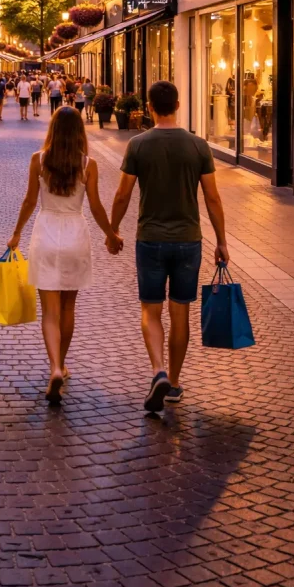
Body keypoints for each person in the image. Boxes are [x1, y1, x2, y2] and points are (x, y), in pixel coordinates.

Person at [109, 80, 229, 413]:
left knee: (150, 309)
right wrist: (221, 240)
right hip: (188, 240)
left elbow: (122, 194)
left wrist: (113, 230)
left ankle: (158, 370)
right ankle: (174, 382)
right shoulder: (198, 146)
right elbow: (213, 198)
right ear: (177, 105)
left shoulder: (137, 145)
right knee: (180, 313)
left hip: (150, 238)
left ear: (149, 107)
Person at [8, 107, 120, 404]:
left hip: (46, 233)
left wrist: (17, 233)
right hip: (75, 235)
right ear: (79, 133)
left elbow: (29, 201)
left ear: (53, 130)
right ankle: (63, 362)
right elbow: (95, 206)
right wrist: (111, 234)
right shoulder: (88, 164)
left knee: (50, 312)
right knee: (69, 308)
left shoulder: (39, 160)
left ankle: (55, 367)